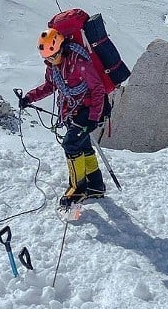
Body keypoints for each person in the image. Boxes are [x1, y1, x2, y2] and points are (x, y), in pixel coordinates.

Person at [19, 28, 107, 207]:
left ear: (61, 49)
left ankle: (78, 189)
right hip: (71, 111)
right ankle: (96, 186)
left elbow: (98, 88)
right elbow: (50, 86)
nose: (50, 61)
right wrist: (29, 97)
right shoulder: (53, 67)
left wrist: (93, 118)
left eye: (53, 57)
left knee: (71, 145)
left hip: (87, 110)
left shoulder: (79, 62)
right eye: (47, 58)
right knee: (83, 147)